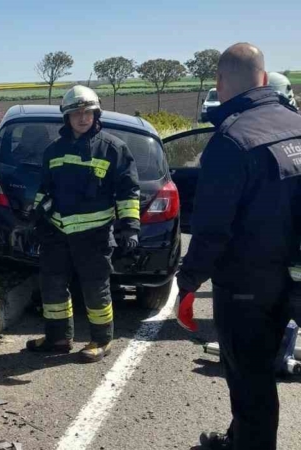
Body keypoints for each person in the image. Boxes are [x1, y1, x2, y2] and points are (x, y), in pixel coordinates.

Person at [174, 43, 301, 450]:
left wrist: (187, 282)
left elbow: (213, 231)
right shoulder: (296, 124)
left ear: (220, 84)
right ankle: (240, 438)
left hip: (248, 288)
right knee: (259, 375)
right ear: (264, 78)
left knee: (251, 378)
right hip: (293, 278)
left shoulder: (230, 141)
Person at [25, 85, 141, 363]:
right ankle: (58, 338)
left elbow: (128, 191)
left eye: (87, 112)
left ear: (96, 113)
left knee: (94, 287)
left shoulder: (113, 149)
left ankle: (101, 340)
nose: (82, 118)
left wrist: (130, 228)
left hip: (94, 235)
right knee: (52, 285)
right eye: (76, 113)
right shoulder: (53, 151)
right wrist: (36, 219)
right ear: (66, 116)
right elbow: (45, 189)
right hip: (56, 232)